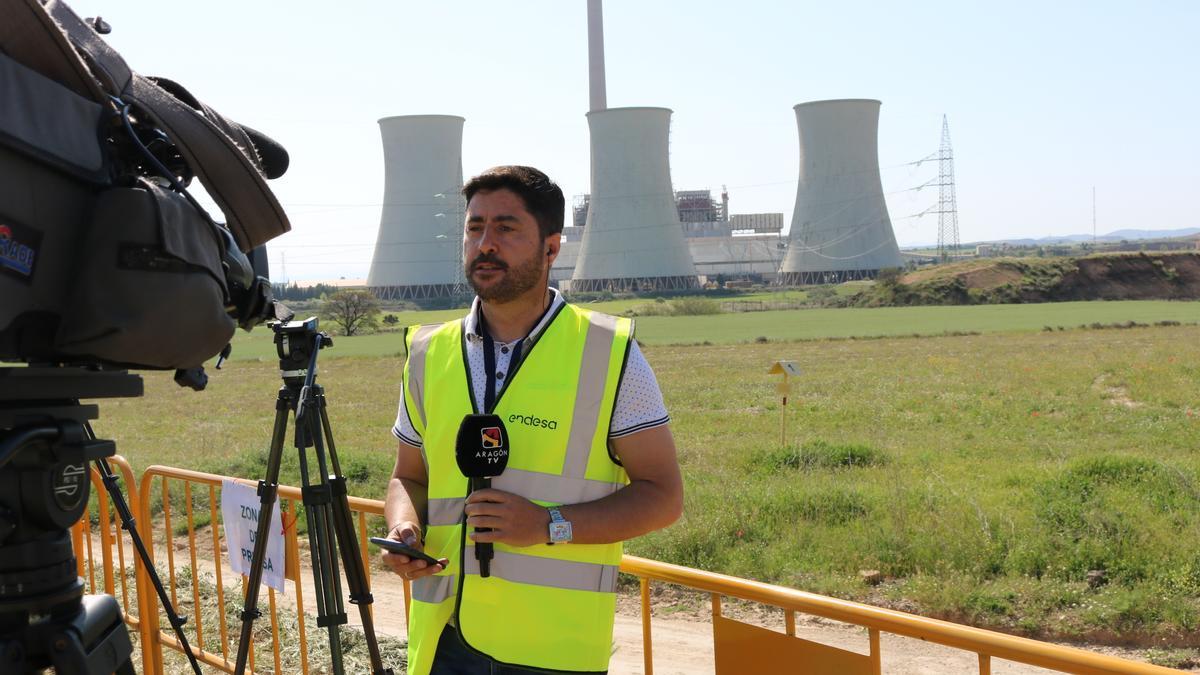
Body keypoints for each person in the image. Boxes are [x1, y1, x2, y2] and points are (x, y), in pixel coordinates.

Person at [382, 165, 683, 674]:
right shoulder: (428, 352)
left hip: (552, 650)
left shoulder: (609, 354)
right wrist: (404, 527)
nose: (485, 244)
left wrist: (550, 525)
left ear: (551, 248)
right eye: (475, 228)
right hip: (443, 641)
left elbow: (663, 496)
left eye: (506, 228)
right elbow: (408, 476)